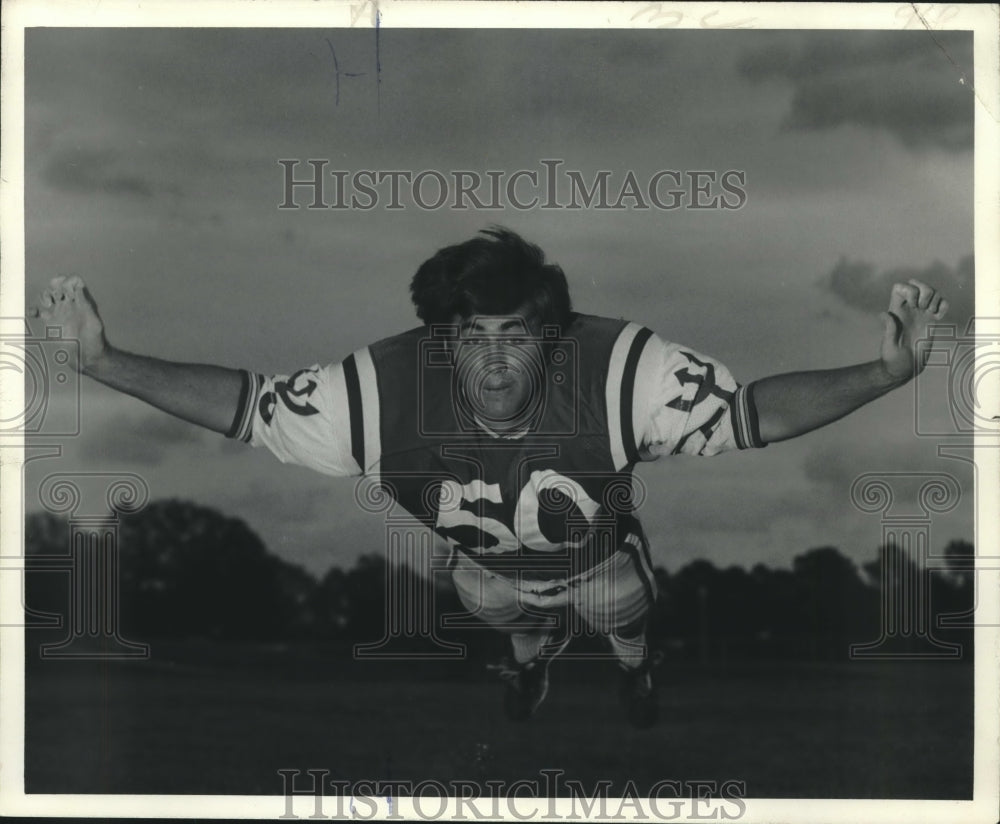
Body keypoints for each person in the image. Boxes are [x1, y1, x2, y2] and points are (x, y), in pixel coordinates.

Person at [31, 227, 948, 728]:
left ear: (551, 336)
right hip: (483, 564)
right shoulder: (384, 389)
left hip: (594, 555)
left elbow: (753, 415)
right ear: (443, 341)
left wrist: (884, 375)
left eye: (515, 337)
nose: (495, 362)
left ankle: (634, 673)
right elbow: (250, 405)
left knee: (625, 624)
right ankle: (528, 667)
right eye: (473, 339)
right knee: (508, 621)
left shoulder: (620, 368)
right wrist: (103, 362)